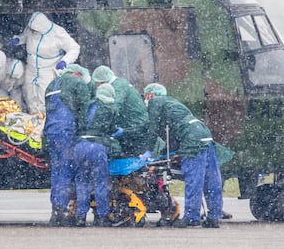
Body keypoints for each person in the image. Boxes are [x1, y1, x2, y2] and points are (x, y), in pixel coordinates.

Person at [143, 83, 223, 228]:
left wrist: (147, 151)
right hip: (204, 134)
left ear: (150, 95)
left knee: (194, 179)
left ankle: (192, 217)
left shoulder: (155, 102)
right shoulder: (172, 102)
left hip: (192, 139)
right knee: (211, 179)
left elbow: (153, 129)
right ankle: (214, 216)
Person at [43, 64, 90, 226]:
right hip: (67, 131)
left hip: (51, 132)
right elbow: (84, 110)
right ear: (77, 73)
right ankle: (62, 210)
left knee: (57, 171)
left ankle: (56, 210)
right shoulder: (77, 83)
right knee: (66, 170)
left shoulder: (52, 84)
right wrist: (85, 133)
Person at [10, 12, 80, 114]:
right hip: (32, 67)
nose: (32, 31)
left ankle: (45, 120)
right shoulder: (31, 29)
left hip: (48, 69)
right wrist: (19, 39)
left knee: (44, 96)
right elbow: (26, 36)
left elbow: (74, 48)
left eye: (34, 30)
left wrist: (65, 61)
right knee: (29, 94)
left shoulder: (58, 33)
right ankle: (33, 118)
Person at [73, 83, 121, 227]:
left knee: (82, 182)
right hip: (97, 146)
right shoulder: (110, 107)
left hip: (80, 146)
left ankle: (80, 217)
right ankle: (102, 216)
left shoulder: (87, 105)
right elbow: (111, 129)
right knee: (101, 182)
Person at [91, 65, 149, 156]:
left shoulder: (117, 87)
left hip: (134, 127)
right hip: (135, 125)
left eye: (97, 84)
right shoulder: (121, 83)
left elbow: (113, 108)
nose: (97, 87)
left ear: (103, 81)